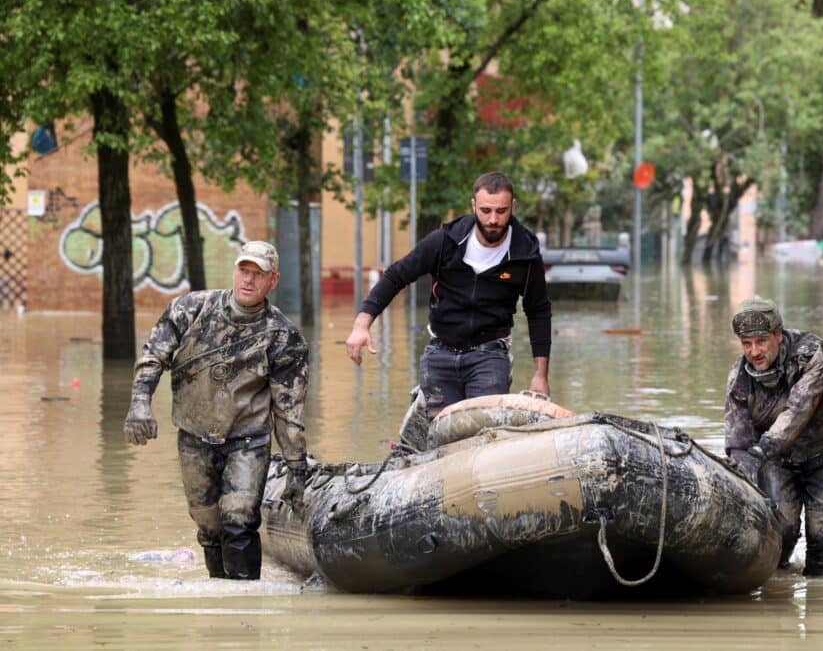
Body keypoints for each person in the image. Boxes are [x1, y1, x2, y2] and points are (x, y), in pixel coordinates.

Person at [123, 241, 309, 580]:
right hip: (194, 435)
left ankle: (245, 605)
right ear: (235, 270)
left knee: (238, 520)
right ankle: (219, 595)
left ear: (274, 280)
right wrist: (140, 403)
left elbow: (288, 408)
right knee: (208, 525)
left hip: (248, 440)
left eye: (259, 274)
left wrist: (296, 467)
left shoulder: (283, 337)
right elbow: (153, 356)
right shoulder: (190, 309)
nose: (249, 280)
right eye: (244, 271)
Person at [345, 171, 552, 441]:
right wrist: (362, 324)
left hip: (489, 357)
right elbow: (396, 275)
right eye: (486, 210)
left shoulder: (526, 253)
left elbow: (539, 311)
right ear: (473, 206)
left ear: (513, 207)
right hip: (440, 355)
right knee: (441, 440)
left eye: (501, 211)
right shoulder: (445, 241)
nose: (493, 219)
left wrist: (540, 375)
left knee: (485, 439)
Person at [723, 296, 823, 577]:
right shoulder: (739, 378)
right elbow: (738, 441)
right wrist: (745, 485)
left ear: (778, 336)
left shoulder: (812, 355)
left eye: (761, 341)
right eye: (747, 344)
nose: (754, 351)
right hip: (776, 460)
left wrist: (761, 450)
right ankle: (776, 601)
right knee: (779, 535)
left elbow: (797, 411)